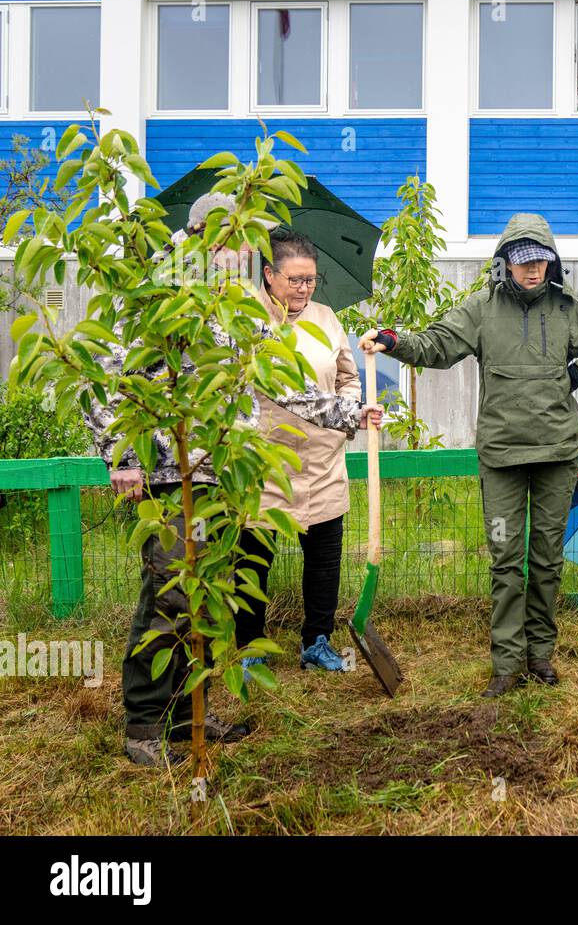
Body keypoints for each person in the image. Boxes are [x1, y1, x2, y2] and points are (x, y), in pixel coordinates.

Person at [90, 197, 378, 767]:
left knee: (201, 602)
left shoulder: (230, 303)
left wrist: (349, 414)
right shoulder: (162, 290)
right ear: (211, 234)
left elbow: (273, 381)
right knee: (169, 597)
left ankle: (188, 715)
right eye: (246, 241)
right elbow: (102, 373)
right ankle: (146, 725)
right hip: (176, 474)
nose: (254, 254)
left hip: (218, 472)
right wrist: (121, 456)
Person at [361, 212, 578, 697]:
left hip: (557, 450)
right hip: (502, 454)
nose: (533, 271)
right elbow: (438, 345)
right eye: (524, 262)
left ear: (553, 263)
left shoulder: (568, 308)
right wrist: (393, 342)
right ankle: (506, 664)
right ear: (505, 263)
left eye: (541, 263)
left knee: (547, 559)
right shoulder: (482, 308)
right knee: (506, 561)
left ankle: (541, 656)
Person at [235, 229, 383, 680]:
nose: (304, 289)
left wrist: (353, 411)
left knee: (324, 558)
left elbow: (347, 378)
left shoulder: (326, 318)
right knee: (253, 559)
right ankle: (250, 647)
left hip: (321, 459)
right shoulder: (243, 319)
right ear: (269, 275)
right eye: (295, 280)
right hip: (263, 461)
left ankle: (316, 641)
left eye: (311, 281)